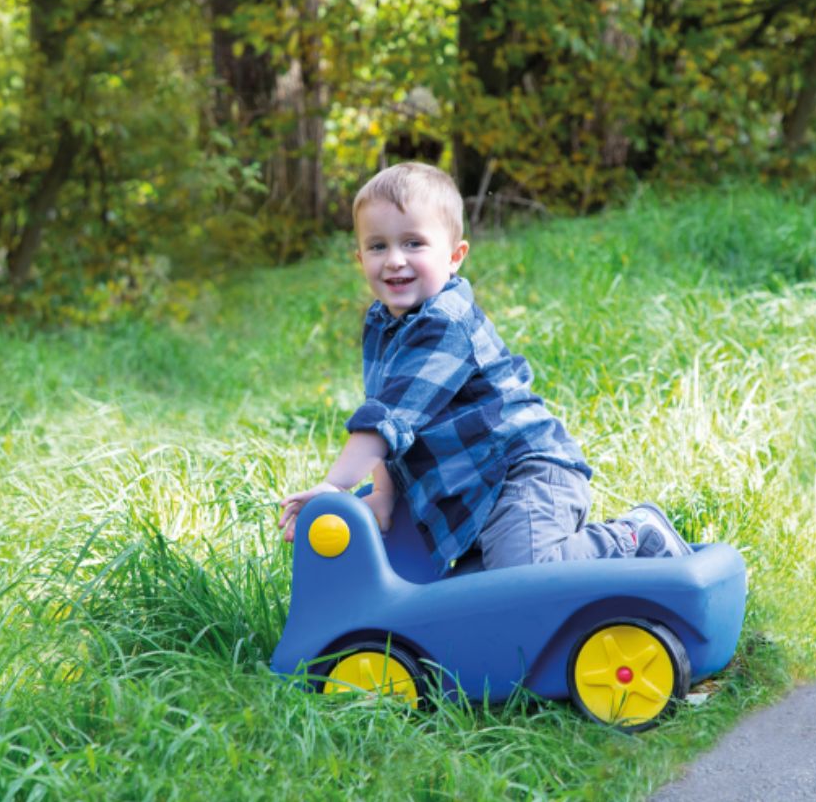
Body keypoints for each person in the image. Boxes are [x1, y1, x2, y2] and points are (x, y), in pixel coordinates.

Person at [278, 162, 689, 573]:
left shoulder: (445, 322)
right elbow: (391, 414)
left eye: (414, 243)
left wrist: (335, 486)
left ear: (455, 256)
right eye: (378, 246)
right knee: (473, 595)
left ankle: (635, 535)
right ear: (360, 256)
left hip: (524, 475)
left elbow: (384, 420)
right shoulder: (382, 323)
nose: (394, 260)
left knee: (525, 569)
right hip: (472, 496)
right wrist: (384, 493)